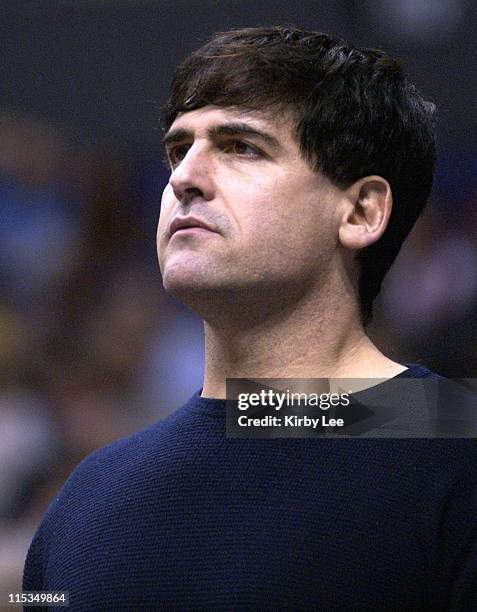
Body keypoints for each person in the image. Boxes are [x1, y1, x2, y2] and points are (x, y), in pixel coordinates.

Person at [23, 26, 477, 610]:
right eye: (177, 150)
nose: (184, 177)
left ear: (362, 211)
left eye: (242, 147)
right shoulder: (86, 498)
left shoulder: (456, 443)